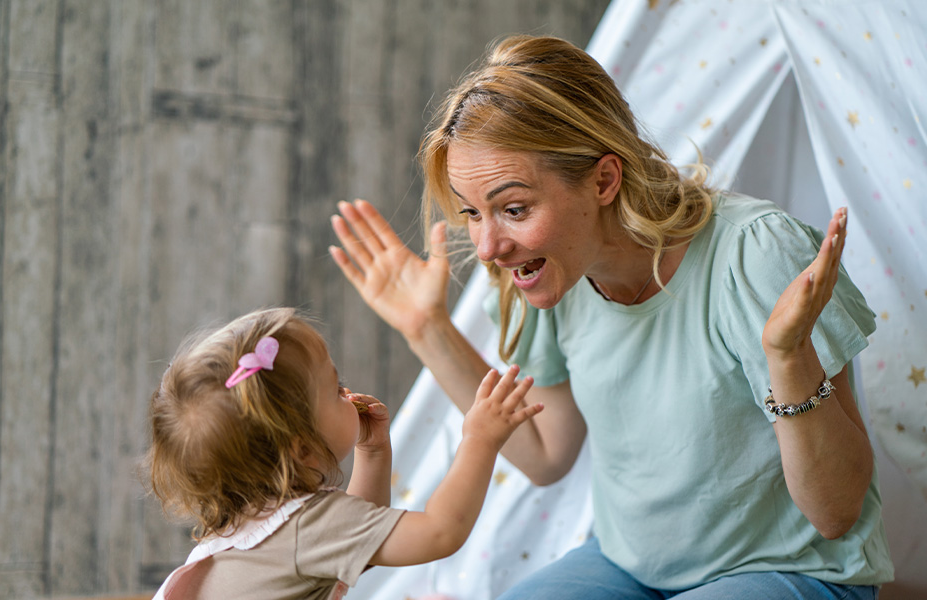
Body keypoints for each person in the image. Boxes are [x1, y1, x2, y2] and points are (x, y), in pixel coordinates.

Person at [329, 34, 894, 599]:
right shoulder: (553, 273)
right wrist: (428, 329)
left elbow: (836, 513)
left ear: (603, 180)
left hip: (791, 571)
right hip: (628, 569)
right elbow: (546, 453)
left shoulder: (755, 254)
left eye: (514, 209)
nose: (486, 247)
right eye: (474, 213)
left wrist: (788, 359)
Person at [145, 306, 542, 599]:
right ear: (302, 450)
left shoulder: (241, 521)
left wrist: (373, 452)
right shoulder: (308, 529)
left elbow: (357, 546)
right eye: (336, 389)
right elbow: (441, 532)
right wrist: (480, 439)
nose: (347, 393)